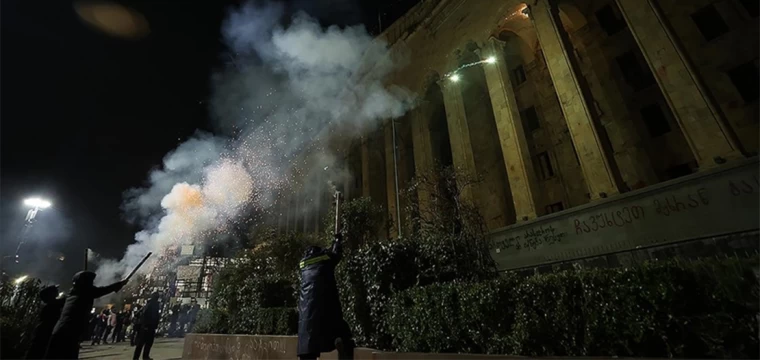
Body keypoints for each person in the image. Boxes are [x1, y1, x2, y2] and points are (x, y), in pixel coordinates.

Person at [297, 233, 354, 360]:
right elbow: (335, 255)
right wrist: (337, 241)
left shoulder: (304, 265)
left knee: (308, 346)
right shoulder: (323, 260)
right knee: (343, 337)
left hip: (306, 314)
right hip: (325, 310)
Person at [45, 271, 127, 359]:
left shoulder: (73, 294)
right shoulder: (86, 292)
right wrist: (121, 283)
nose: (92, 283)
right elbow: (105, 289)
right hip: (70, 331)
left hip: (62, 330)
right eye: (90, 281)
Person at [25, 285, 65, 359]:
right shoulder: (52, 305)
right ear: (51, 294)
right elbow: (64, 300)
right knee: (39, 351)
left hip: (42, 331)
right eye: (55, 290)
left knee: (36, 351)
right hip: (46, 332)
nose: (57, 292)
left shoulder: (49, 305)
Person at [133, 292, 160, 360]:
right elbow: (145, 315)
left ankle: (145, 356)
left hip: (151, 326)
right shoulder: (151, 304)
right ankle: (136, 358)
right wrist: (145, 325)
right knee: (141, 343)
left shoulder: (153, 304)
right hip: (147, 326)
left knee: (148, 343)